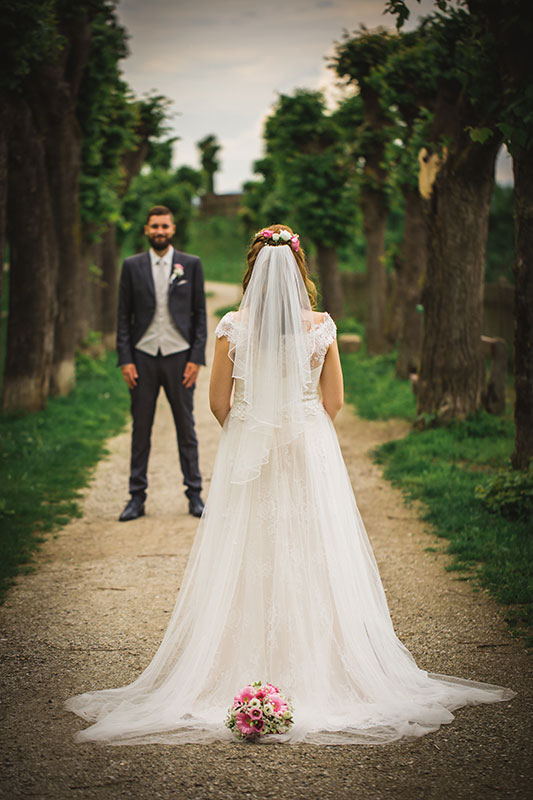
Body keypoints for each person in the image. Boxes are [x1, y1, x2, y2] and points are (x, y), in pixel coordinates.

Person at [66, 224, 514, 745]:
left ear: (252, 271)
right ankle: (323, 666)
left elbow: (217, 403)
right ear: (299, 271)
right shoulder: (321, 326)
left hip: (251, 451)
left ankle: (236, 666)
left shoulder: (234, 326)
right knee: (314, 549)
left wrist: (250, 432)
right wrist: (300, 425)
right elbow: (334, 403)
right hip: (307, 448)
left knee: (247, 549)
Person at [116, 205, 207, 521]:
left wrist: (196, 358)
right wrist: (125, 359)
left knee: (187, 427)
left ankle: (195, 495)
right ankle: (136, 498)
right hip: (142, 358)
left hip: (180, 356)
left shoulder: (191, 265)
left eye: (164, 226)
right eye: (154, 226)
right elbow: (123, 317)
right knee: (141, 429)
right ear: (146, 229)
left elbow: (200, 316)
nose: (159, 231)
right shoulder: (131, 266)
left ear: (173, 229)